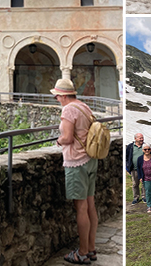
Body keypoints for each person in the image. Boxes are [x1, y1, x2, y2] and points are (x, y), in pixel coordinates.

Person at [52, 78, 99, 264]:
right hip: (90, 159)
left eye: (57, 95)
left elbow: (68, 137)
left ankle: (82, 252)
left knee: (81, 208)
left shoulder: (69, 109)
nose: (56, 98)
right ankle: (92, 248)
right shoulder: (84, 106)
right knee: (90, 205)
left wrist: (58, 140)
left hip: (76, 162)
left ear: (63, 95)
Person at [125, 133, 144, 205]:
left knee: (144, 183)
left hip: (144, 168)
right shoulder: (130, 146)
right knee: (135, 184)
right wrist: (127, 166)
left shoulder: (145, 146)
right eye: (140, 138)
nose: (142, 139)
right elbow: (126, 157)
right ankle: (136, 197)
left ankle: (144, 196)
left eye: (142, 138)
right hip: (134, 168)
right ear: (135, 138)